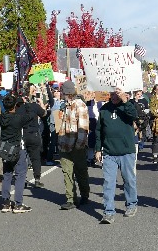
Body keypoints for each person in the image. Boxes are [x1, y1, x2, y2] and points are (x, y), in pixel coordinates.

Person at [95, 86, 140, 223]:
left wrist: (125, 101)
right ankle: (108, 212)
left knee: (129, 180)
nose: (114, 96)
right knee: (108, 182)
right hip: (109, 152)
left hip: (126, 151)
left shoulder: (128, 106)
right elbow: (99, 131)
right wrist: (98, 149)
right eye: (112, 94)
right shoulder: (104, 109)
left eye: (117, 94)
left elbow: (134, 116)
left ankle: (131, 204)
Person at [0, 94, 44, 213]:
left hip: (5, 149)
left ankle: (6, 202)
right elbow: (32, 115)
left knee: (7, 175)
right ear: (15, 106)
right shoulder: (18, 118)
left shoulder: (2, 117)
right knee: (20, 175)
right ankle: (18, 203)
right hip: (17, 148)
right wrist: (28, 104)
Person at [52, 81, 90, 210]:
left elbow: (83, 127)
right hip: (64, 144)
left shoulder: (79, 105)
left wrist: (79, 145)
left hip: (76, 145)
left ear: (67, 92)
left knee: (80, 172)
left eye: (62, 91)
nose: (60, 93)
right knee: (67, 172)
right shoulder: (66, 105)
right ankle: (71, 199)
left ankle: (85, 195)